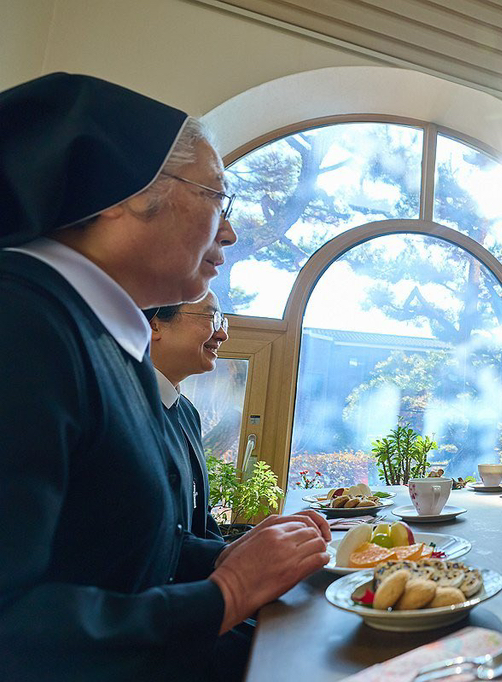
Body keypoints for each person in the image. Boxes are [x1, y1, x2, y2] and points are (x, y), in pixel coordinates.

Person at [0, 73, 331, 681]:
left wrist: (238, 555)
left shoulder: (99, 335)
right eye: (217, 196)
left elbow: (119, 547)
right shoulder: (19, 321)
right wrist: (228, 592)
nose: (228, 230)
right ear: (120, 193)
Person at [148, 293, 230, 540]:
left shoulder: (186, 411)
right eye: (211, 317)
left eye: (222, 321)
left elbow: (198, 519)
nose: (222, 334)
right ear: (155, 325)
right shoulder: (118, 406)